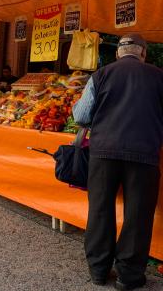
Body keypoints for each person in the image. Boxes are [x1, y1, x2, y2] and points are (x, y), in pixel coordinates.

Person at [73, 34, 163, 290]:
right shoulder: (158, 76)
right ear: (143, 53)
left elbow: (81, 116)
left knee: (100, 210)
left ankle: (99, 270)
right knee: (138, 215)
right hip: (144, 154)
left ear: (117, 54)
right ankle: (129, 276)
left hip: (103, 153)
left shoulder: (101, 75)